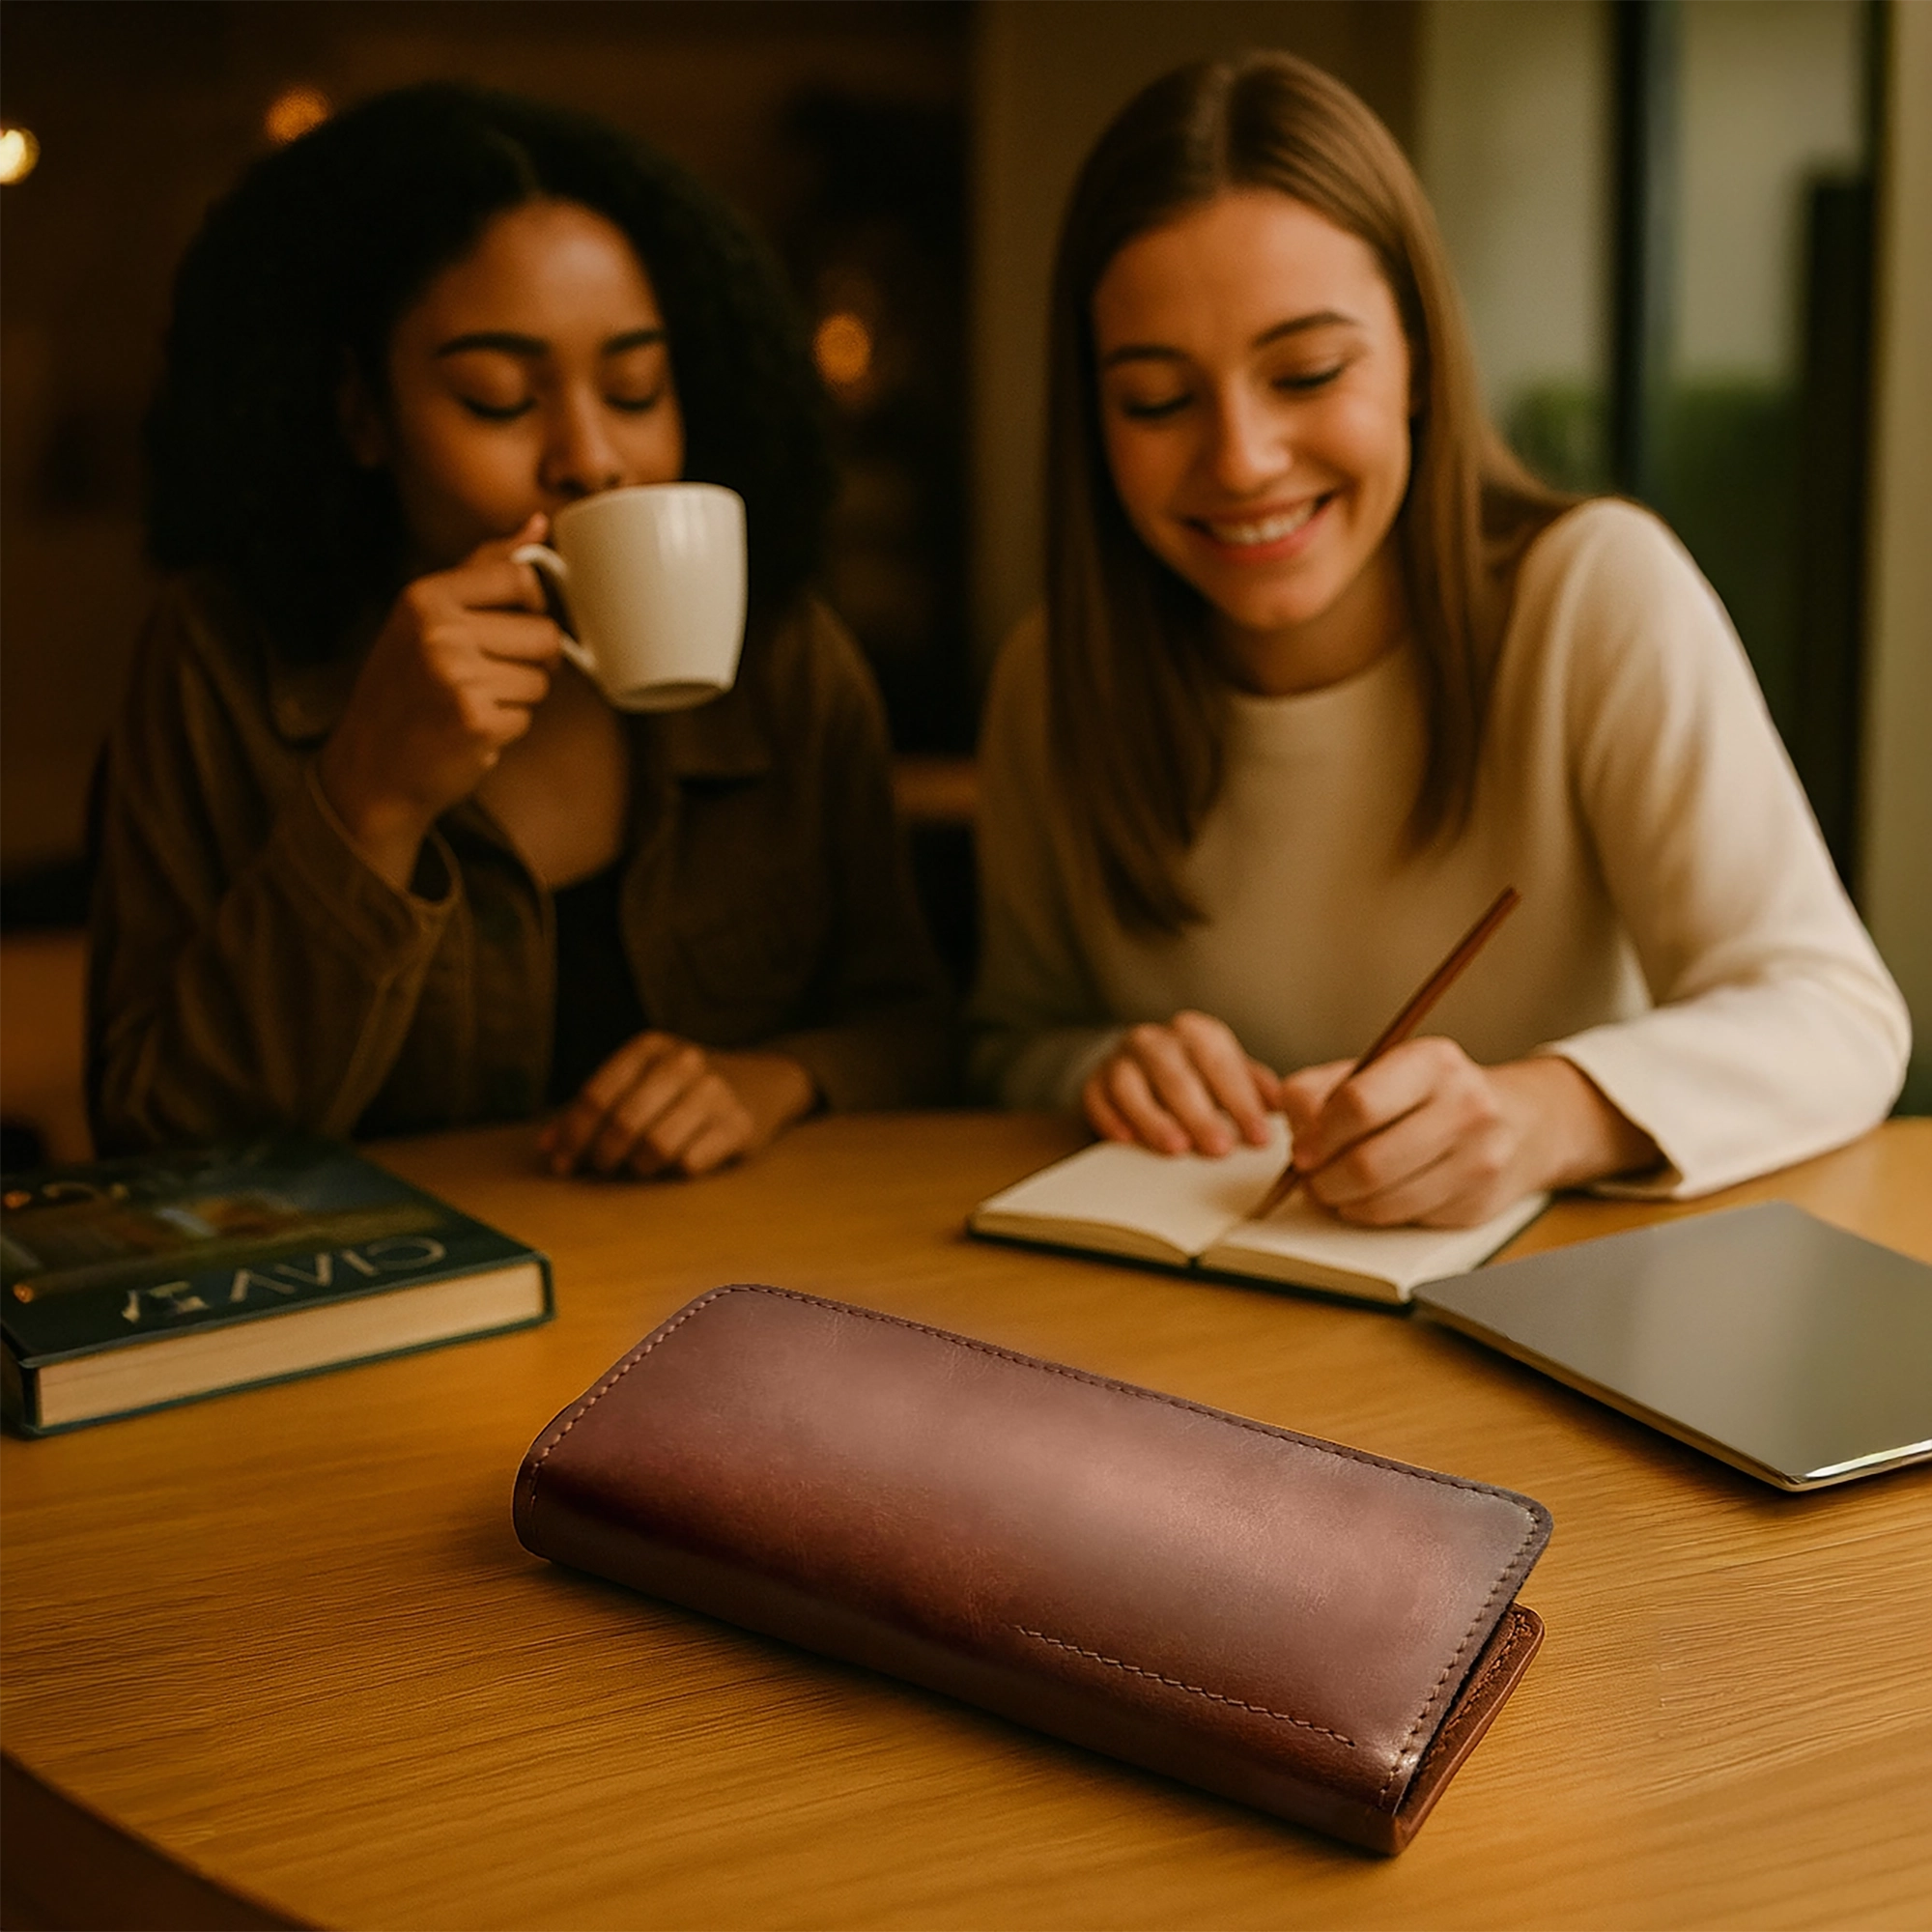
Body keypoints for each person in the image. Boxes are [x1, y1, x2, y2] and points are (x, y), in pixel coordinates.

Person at [969, 52, 1908, 1226]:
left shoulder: (1590, 596)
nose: (1241, 459)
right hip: (1178, 1308)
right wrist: (1102, 1064)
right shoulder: (1051, 680)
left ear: (1418, 356)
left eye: (1306, 372)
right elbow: (1005, 1040)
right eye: (1156, 399)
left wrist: (1544, 1114)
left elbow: (1834, 1014)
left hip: (1559, 1300)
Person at [91, 83, 950, 1174]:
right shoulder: (218, 664)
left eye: (634, 390)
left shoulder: (781, 657)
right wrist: (369, 800)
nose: (590, 457)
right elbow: (150, 1139)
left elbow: (914, 1026)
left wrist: (775, 1080)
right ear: (362, 414)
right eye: (499, 398)